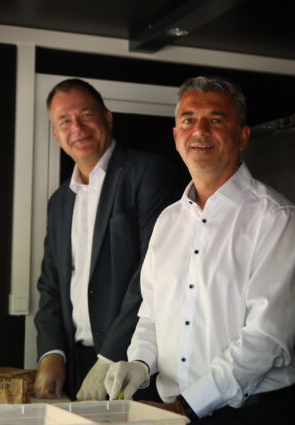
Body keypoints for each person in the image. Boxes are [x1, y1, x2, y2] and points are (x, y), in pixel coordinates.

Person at [103, 76, 295, 424]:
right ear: (176, 136)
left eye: (216, 119)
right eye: (188, 120)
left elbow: (266, 338)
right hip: (172, 409)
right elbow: (151, 316)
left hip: (251, 415)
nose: (199, 130)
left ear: (242, 136)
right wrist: (139, 363)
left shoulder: (276, 219)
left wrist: (186, 406)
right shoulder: (168, 221)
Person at [33, 78, 182, 400]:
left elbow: (154, 272)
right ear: (56, 134)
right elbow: (51, 284)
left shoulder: (149, 173)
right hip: (75, 364)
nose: (77, 127)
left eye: (86, 115)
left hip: (133, 363)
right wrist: (51, 354)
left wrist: (110, 356)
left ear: (108, 118)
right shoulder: (59, 201)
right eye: (64, 121)